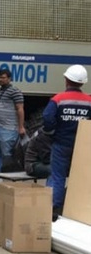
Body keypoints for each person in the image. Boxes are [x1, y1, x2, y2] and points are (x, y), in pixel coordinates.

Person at [43, 64, 91, 220]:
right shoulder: (89, 101)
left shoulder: (58, 99)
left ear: (66, 80)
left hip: (61, 143)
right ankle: (78, 209)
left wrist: (52, 132)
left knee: (57, 176)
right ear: (83, 82)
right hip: (82, 146)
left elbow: (48, 119)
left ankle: (52, 208)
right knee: (81, 176)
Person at [0, 68, 25, 182]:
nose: (1, 79)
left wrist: (21, 127)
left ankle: (12, 176)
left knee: (8, 153)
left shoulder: (15, 91)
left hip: (9, 128)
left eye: (3, 77)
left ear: (9, 78)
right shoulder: (0, 91)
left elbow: (20, 109)